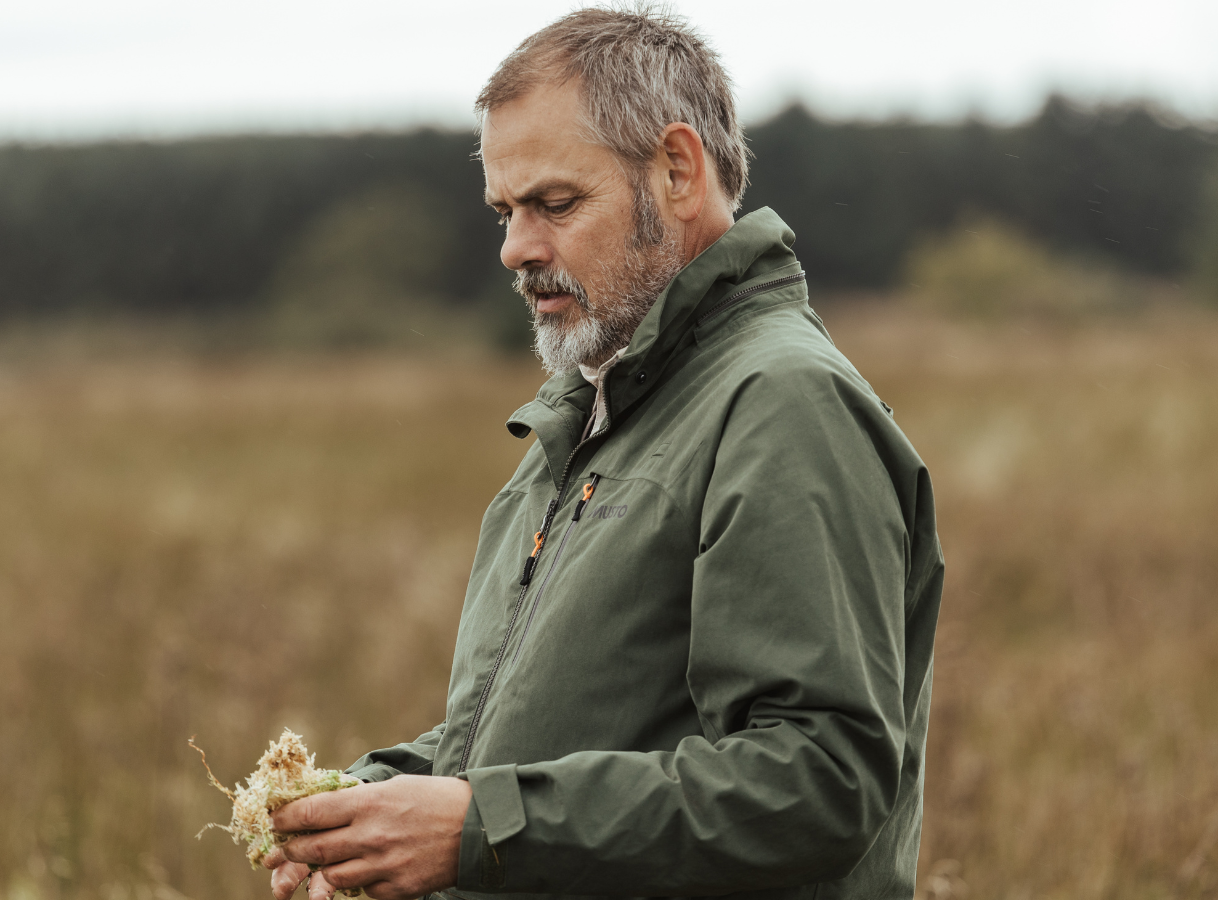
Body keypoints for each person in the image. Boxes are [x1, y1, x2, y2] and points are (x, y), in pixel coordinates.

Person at [264, 7, 943, 900]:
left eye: (555, 204)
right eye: (505, 211)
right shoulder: (597, 407)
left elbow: (820, 780)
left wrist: (480, 828)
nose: (516, 249)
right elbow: (546, 742)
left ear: (677, 171)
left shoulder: (782, 403)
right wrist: (371, 805)